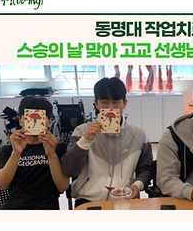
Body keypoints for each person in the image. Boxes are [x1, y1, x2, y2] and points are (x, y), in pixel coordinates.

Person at [61, 77, 153, 207]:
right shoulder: (81, 131)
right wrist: (85, 140)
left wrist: (138, 185)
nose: (110, 107)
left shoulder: (138, 135)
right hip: (88, 200)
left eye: (116, 102)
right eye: (104, 102)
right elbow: (69, 170)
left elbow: (146, 168)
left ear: (125, 103)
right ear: (96, 104)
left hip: (124, 199)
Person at [0, 96, 69, 209]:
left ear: (49, 122)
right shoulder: (8, 150)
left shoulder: (58, 148)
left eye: (41, 117)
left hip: (46, 208)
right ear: (20, 121)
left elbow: (63, 187)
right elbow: (1, 185)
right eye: (27, 117)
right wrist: (16, 153)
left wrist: (51, 155)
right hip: (14, 208)